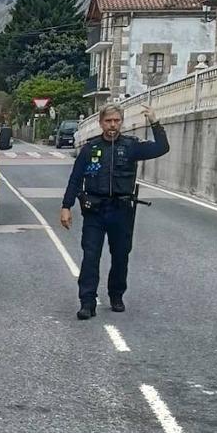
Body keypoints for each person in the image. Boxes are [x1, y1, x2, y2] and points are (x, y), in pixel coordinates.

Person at [60, 104, 169, 320]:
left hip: (121, 211)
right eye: (108, 121)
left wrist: (154, 123)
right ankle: (87, 302)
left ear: (121, 122)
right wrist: (66, 206)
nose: (112, 125)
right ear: (101, 123)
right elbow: (75, 179)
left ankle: (116, 295)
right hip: (95, 212)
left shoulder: (131, 147)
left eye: (116, 121)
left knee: (120, 256)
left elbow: (162, 148)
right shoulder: (90, 149)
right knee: (90, 257)